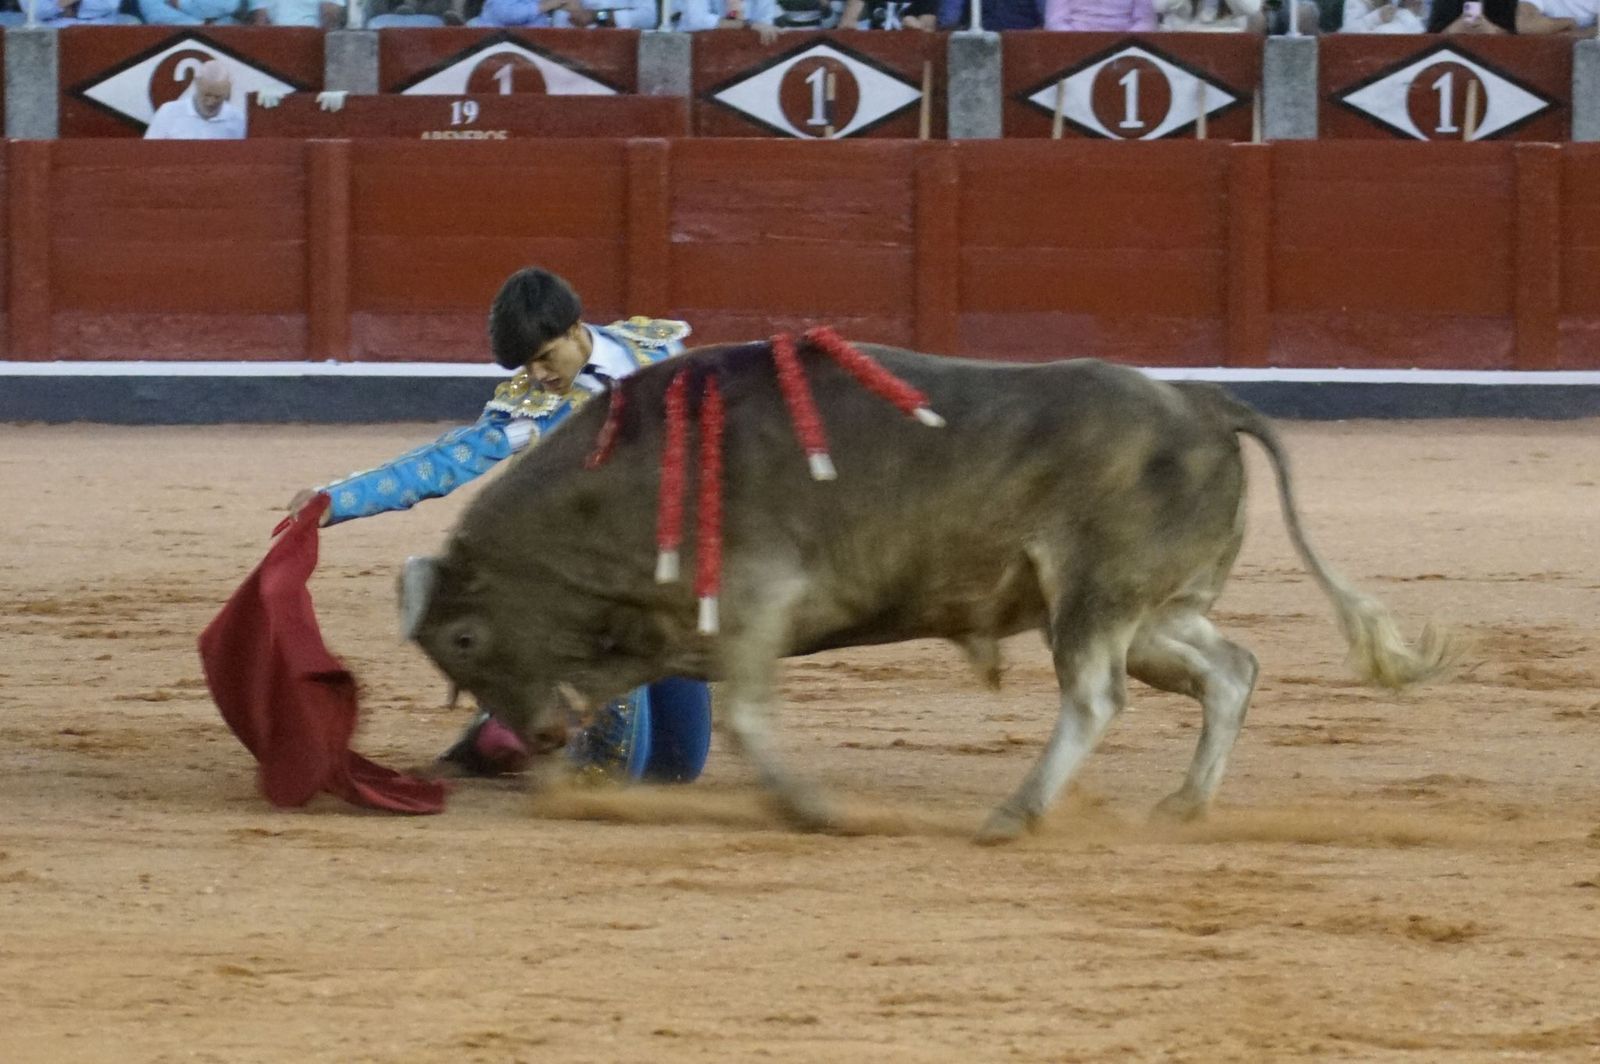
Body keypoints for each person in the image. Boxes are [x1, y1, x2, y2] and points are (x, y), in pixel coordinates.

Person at [287, 268, 715, 783]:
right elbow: (446, 462)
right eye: (525, 365)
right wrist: (339, 498)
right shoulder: (532, 412)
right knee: (612, 773)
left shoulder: (655, 352)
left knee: (678, 765)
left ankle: (500, 731)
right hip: (599, 586)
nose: (537, 376)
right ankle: (519, 723)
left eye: (544, 357)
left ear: (576, 328)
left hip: (676, 575)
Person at [144, 61, 247, 141]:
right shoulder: (168, 113)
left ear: (228, 91)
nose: (210, 102)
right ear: (197, 84)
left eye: (218, 97)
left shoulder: (239, 120)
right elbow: (149, 153)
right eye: (206, 95)